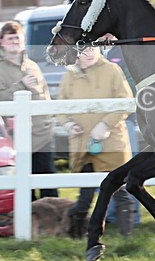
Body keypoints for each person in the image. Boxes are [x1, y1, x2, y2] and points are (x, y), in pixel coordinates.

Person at [57, 46, 136, 238]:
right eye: (84, 50)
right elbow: (60, 106)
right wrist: (68, 124)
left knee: (119, 191)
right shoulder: (70, 75)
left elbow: (125, 102)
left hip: (111, 142)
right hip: (83, 143)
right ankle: (76, 236)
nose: (90, 53)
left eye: (93, 48)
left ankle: (127, 236)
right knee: (85, 194)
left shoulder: (112, 70)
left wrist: (105, 125)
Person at [0, 21, 58, 200]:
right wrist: (20, 86)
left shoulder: (32, 65)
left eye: (17, 38)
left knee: (48, 179)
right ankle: (30, 223)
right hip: (18, 137)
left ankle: (52, 223)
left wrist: (50, 116)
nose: (14, 42)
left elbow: (45, 93)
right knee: (25, 184)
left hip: (43, 132)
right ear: (2, 42)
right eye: (10, 39)